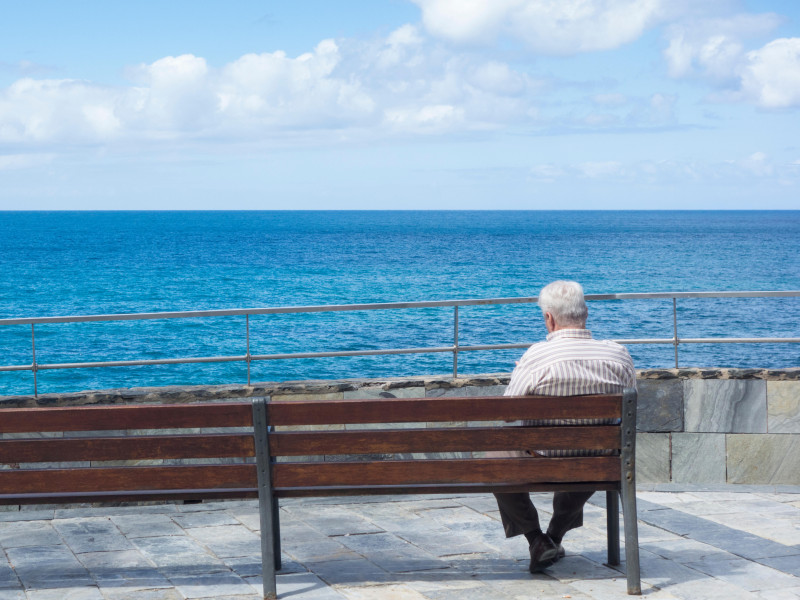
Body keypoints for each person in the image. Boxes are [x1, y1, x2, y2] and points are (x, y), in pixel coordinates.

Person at [494, 280, 636, 574]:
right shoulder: (618, 355)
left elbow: (507, 412)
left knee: (494, 460)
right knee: (590, 455)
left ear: (549, 318)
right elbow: (632, 408)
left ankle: (537, 539)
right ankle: (554, 537)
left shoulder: (537, 357)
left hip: (542, 459)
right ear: (584, 314)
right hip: (600, 462)